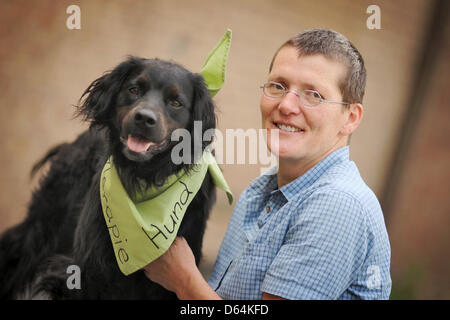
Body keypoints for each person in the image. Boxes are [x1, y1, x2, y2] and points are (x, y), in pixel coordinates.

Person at [143, 29, 392, 300]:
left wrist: (184, 280)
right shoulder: (261, 190)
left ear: (351, 117)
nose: (286, 105)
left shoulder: (337, 204)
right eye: (278, 86)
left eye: (313, 95)